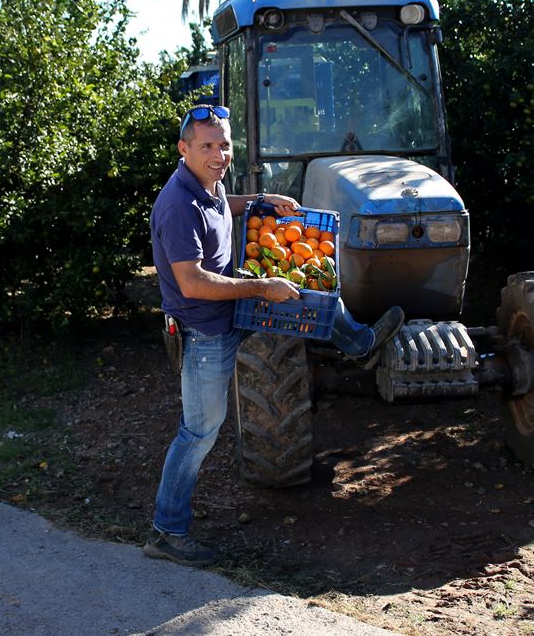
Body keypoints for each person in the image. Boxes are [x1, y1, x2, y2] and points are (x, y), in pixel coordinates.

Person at [143, 104, 404, 567]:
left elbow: (224, 205)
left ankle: (360, 343)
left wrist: (261, 201)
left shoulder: (208, 184)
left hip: (233, 312)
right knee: (198, 433)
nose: (219, 154)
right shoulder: (177, 206)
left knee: (314, 292)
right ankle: (167, 532)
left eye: (224, 144)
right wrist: (263, 286)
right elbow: (192, 283)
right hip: (205, 334)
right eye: (207, 146)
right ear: (184, 149)